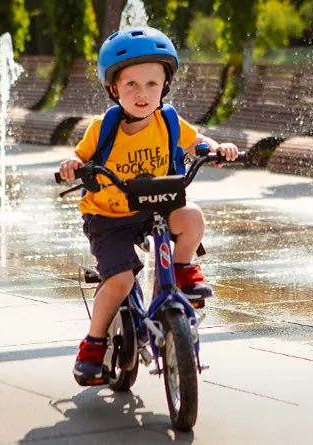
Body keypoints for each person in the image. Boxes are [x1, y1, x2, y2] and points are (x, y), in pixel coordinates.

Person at [58, 27, 239, 386]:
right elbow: (78, 158)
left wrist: (218, 149)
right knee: (120, 280)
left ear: (165, 86)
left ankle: (183, 272)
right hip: (108, 218)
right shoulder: (103, 127)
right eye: (132, 86)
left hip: (153, 207)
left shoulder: (168, 120)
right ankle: (93, 344)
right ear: (114, 89)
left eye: (152, 85)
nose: (143, 94)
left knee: (191, 217)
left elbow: (197, 143)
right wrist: (71, 165)